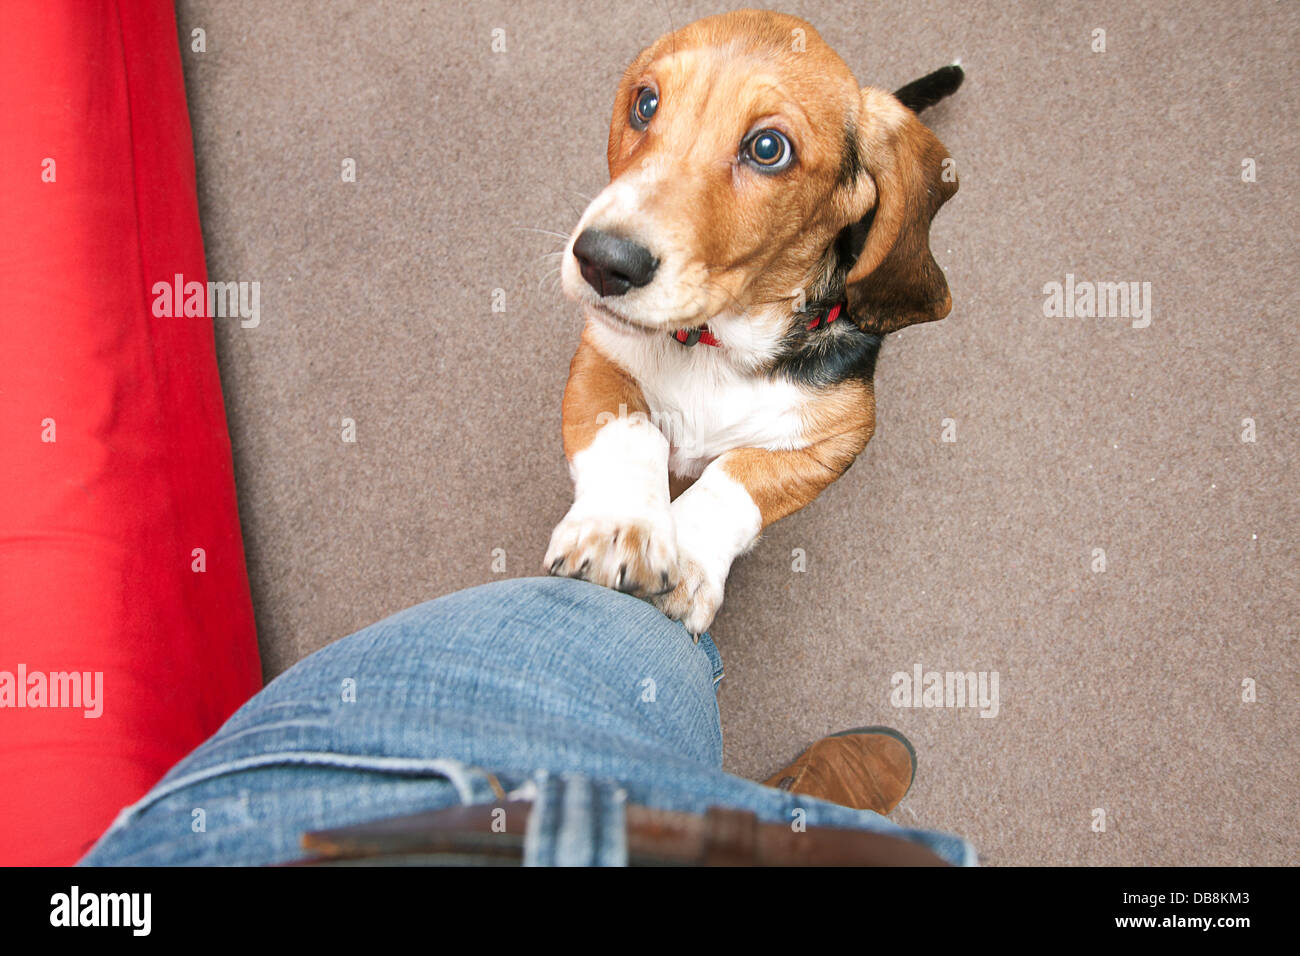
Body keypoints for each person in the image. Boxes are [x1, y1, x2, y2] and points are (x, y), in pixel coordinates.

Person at [79, 577, 976, 866]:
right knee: (640, 635)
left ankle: (743, 804)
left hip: (302, 831)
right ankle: (759, 805)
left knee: (626, 627)